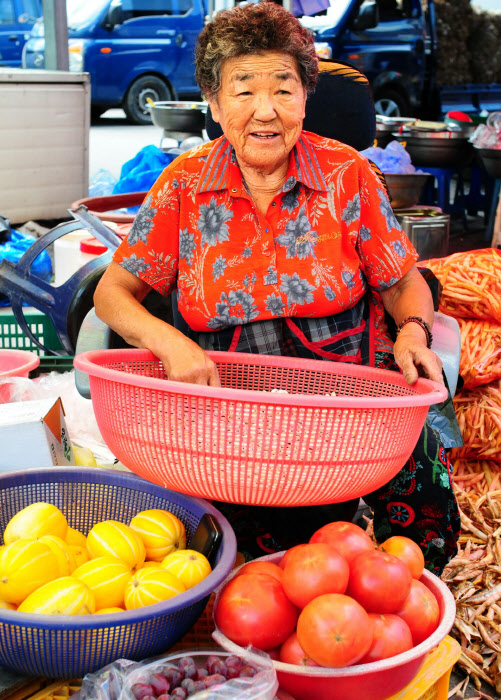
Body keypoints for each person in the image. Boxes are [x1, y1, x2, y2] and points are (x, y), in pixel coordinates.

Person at [93, 1, 460, 574]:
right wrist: (174, 346)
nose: (265, 112)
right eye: (243, 90)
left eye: (284, 90)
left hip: (345, 399)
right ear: (213, 103)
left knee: (420, 501)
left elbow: (402, 281)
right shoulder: (183, 187)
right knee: (232, 566)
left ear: (305, 98)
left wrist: (412, 329)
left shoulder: (347, 176)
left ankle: (411, 602)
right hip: (230, 407)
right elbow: (112, 294)